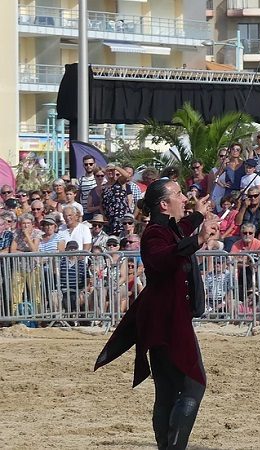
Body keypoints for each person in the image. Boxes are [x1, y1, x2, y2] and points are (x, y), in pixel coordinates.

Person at [94, 179, 219, 450]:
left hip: (161, 320)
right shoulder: (153, 234)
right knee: (193, 386)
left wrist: (198, 214)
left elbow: (179, 230)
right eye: (178, 195)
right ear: (164, 204)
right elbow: (163, 258)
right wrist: (199, 238)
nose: (184, 197)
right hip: (168, 321)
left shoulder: (165, 228)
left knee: (165, 390)